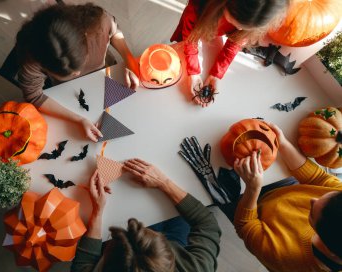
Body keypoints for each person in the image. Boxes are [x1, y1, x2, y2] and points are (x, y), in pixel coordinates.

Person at [16, 3, 139, 142]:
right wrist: (78, 119)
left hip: (109, 74)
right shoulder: (32, 58)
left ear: (85, 37)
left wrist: (130, 61)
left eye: (79, 64)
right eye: (69, 73)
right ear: (45, 67)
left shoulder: (99, 23)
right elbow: (34, 96)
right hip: (69, 94)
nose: (78, 73)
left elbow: (115, 32)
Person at [71, 158, 221, 272]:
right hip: (177, 244)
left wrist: (97, 212)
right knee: (174, 213)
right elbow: (207, 223)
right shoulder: (198, 268)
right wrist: (164, 183)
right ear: (169, 259)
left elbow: (84, 265)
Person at [233, 123, 342, 272]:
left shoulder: (284, 257)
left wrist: (252, 188)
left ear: (327, 247)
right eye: (324, 196)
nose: (313, 199)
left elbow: (245, 225)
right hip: (284, 190)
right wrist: (283, 143)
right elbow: (318, 178)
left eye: (311, 213)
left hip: (249, 210)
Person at [171, 0, 288, 107]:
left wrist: (216, 74)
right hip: (200, 22)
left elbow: (236, 42)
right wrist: (193, 72)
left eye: (246, 27)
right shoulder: (197, 7)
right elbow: (190, 39)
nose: (240, 29)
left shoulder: (259, 14)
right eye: (237, 22)